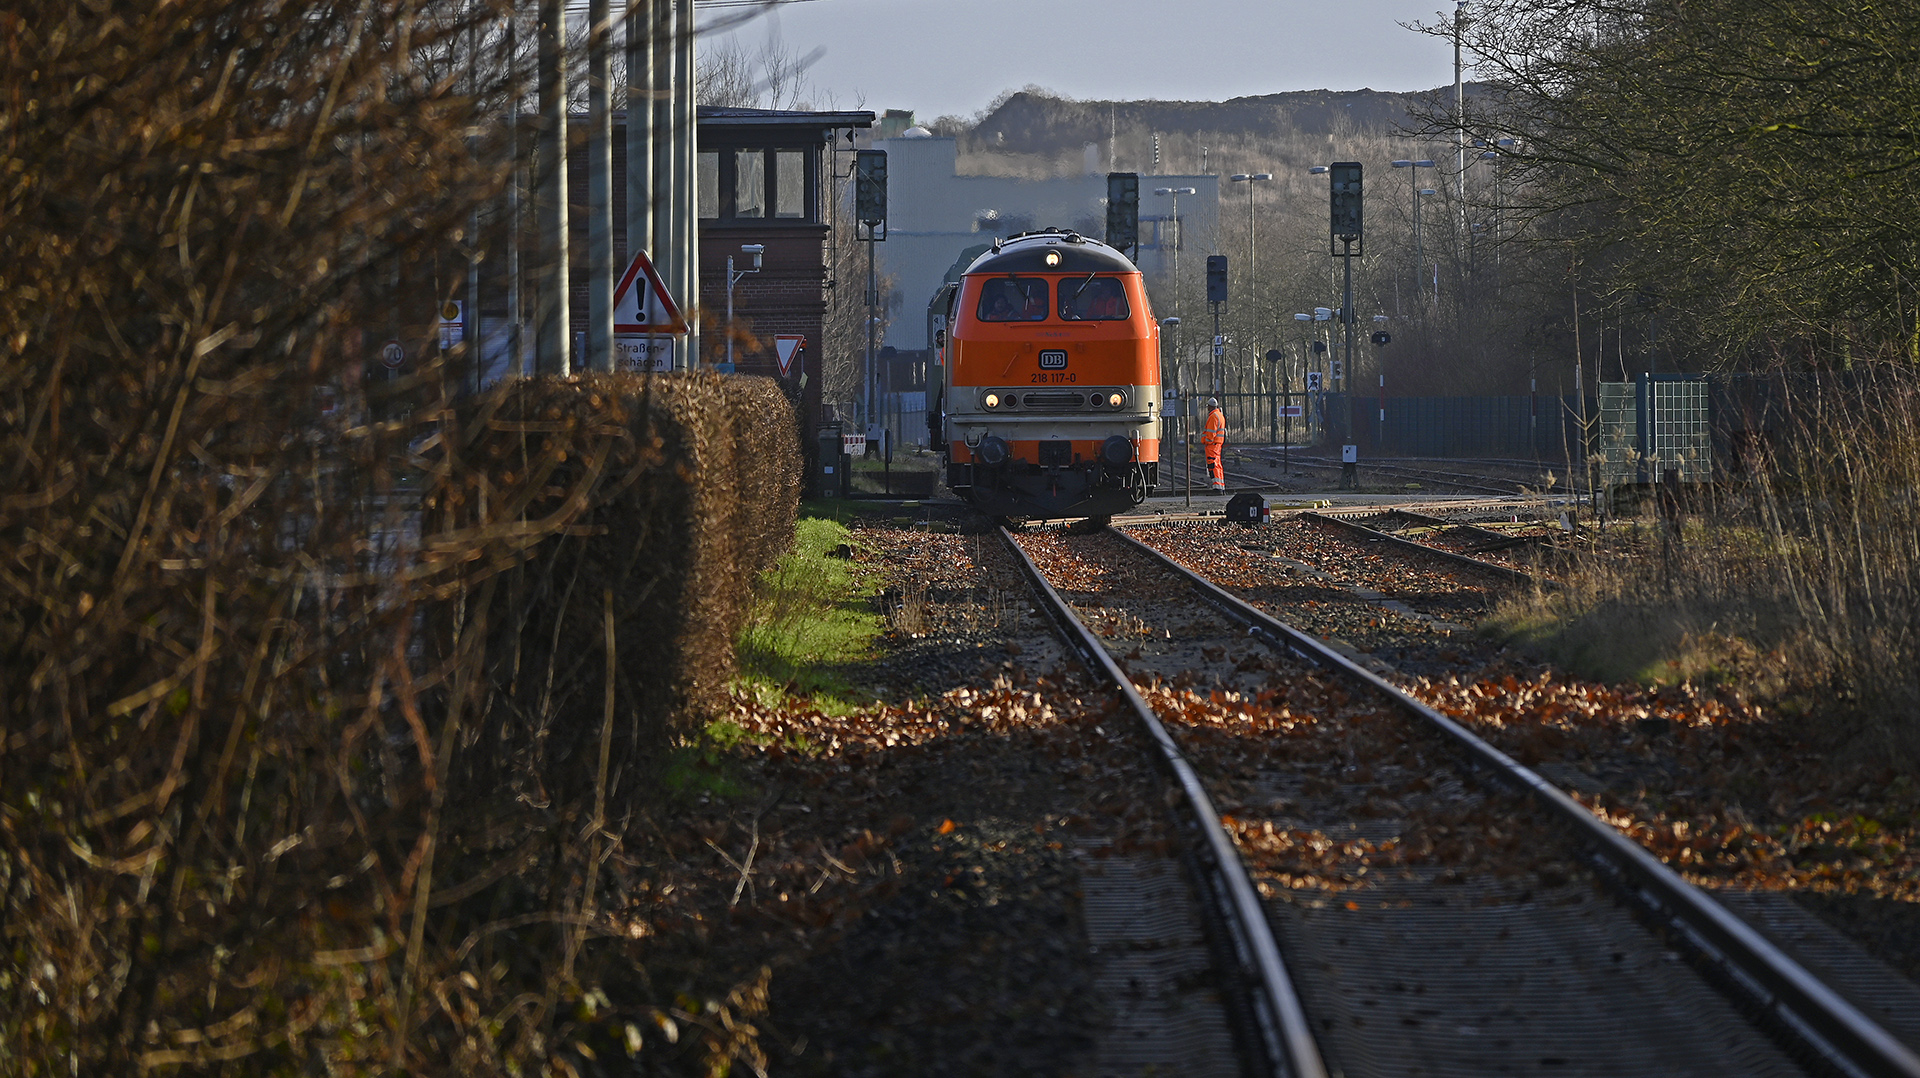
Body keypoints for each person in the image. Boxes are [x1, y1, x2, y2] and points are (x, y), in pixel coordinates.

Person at [1202, 397, 1226, 492]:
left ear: (1210, 406)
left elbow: (1211, 433)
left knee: (1213, 465)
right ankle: (1220, 485)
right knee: (1217, 465)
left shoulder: (1213, 416)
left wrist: (1206, 441)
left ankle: (1217, 487)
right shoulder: (1219, 415)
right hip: (1217, 444)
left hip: (1212, 445)